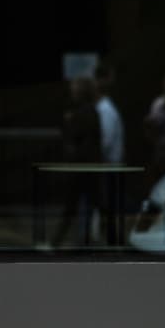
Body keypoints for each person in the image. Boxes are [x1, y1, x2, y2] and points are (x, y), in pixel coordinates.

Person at [51, 76, 102, 246]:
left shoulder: (84, 112)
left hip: (83, 166)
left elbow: (82, 140)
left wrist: (70, 123)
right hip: (85, 166)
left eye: (75, 86)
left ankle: (58, 243)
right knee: (89, 203)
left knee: (77, 205)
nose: (72, 89)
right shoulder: (86, 110)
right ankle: (61, 242)